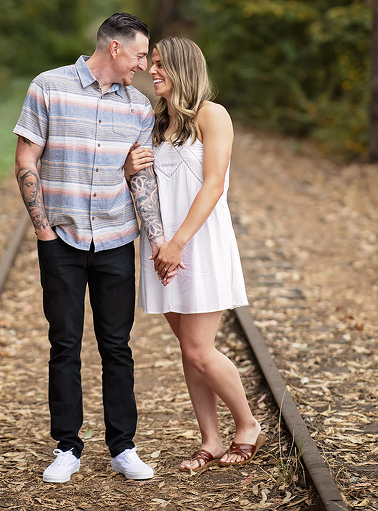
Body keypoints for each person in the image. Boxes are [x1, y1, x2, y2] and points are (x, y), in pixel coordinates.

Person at [14, 12, 166, 483]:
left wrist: (157, 239)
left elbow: (141, 179)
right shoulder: (49, 87)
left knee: (117, 346)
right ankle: (67, 447)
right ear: (116, 48)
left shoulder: (139, 107)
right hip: (60, 237)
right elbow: (26, 158)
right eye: (140, 54)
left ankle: (123, 446)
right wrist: (42, 229)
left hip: (117, 239)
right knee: (64, 344)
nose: (143, 64)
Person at [124, 37, 265, 471]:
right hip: (163, 247)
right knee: (189, 349)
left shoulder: (212, 115)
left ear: (184, 67)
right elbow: (144, 186)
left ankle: (247, 425)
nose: (153, 70)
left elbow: (213, 184)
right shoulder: (154, 122)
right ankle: (211, 438)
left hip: (197, 244)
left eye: (162, 64)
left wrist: (179, 242)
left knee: (201, 349)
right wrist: (130, 171)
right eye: (152, 64)